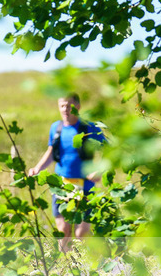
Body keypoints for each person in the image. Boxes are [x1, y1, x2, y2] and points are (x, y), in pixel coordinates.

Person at [27, 93, 106, 253]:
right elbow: (51, 152)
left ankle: (90, 261)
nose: (65, 109)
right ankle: (66, 264)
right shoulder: (56, 128)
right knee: (63, 231)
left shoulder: (89, 128)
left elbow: (110, 150)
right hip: (62, 185)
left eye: (69, 105)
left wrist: (99, 170)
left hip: (85, 185)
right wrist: (37, 168)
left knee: (81, 233)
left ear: (78, 106)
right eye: (62, 105)